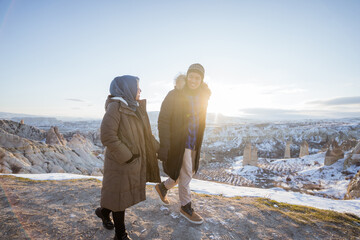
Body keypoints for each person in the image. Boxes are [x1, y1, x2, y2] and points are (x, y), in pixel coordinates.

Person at [95, 75, 160, 240]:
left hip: (129, 162)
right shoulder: (116, 107)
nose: (140, 90)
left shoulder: (133, 108)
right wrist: (127, 156)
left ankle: (102, 212)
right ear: (127, 89)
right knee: (119, 199)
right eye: (137, 87)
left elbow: (146, 136)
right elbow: (107, 136)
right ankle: (120, 235)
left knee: (119, 196)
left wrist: (161, 150)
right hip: (119, 162)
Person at [155, 63, 211, 224]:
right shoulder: (175, 94)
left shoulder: (202, 97)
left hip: (194, 142)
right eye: (191, 76)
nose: (193, 80)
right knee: (186, 174)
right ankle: (185, 206)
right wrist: (165, 145)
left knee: (188, 171)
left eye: (197, 78)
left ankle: (163, 187)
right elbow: (163, 120)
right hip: (179, 142)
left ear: (201, 80)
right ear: (186, 77)